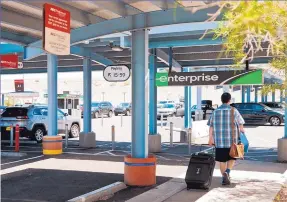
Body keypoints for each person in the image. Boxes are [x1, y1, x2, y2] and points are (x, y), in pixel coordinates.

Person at [207, 92, 245, 185]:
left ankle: (224, 178)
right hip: (232, 141)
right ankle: (227, 172)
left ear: (221, 100)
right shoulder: (234, 110)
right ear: (229, 100)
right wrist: (242, 131)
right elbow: (241, 124)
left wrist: (210, 139)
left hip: (219, 141)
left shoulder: (215, 112)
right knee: (232, 157)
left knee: (222, 160)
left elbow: (211, 126)